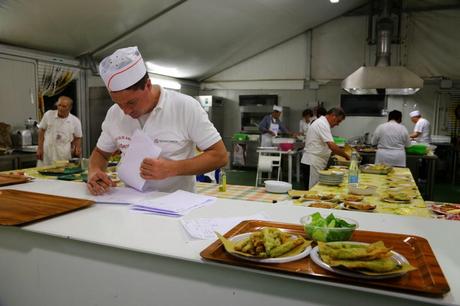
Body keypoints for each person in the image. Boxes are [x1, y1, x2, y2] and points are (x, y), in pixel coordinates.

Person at [87, 46, 227, 195]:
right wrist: (94, 171)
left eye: (131, 103)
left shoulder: (184, 107)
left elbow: (219, 156)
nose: (125, 112)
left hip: (176, 203)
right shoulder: (114, 113)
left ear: (147, 85)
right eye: (119, 104)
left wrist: (172, 168)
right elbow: (101, 154)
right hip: (129, 202)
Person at [301, 107, 350, 189]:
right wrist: (346, 156)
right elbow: (332, 146)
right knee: (312, 191)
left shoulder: (324, 123)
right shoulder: (322, 123)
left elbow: (327, 146)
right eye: (338, 121)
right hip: (313, 162)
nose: (337, 124)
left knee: (316, 190)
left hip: (317, 162)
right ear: (333, 116)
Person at [36, 96, 82, 167]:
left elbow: (78, 137)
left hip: (63, 155)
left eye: (64, 106)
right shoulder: (48, 115)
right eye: (59, 105)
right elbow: (41, 130)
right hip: (47, 153)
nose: (60, 108)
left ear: (70, 108)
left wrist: (77, 150)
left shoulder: (75, 121)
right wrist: (40, 148)